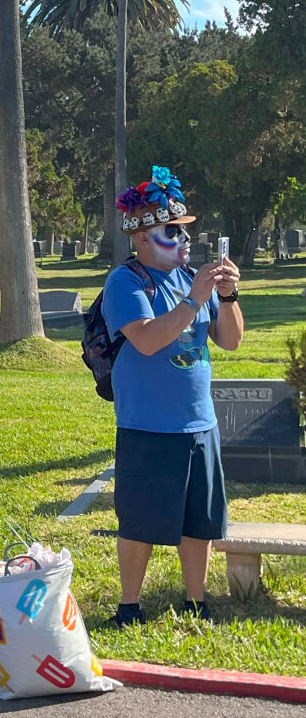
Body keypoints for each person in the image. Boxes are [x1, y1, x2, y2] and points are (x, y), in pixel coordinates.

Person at [102, 169, 243, 626]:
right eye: (171, 231)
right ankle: (129, 607)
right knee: (139, 519)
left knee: (197, 522)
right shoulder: (125, 282)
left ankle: (196, 601)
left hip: (199, 422)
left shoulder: (190, 279)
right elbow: (146, 340)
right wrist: (194, 301)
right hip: (147, 421)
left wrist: (229, 294)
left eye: (184, 229)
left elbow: (231, 341)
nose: (183, 238)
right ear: (141, 239)